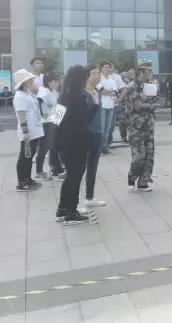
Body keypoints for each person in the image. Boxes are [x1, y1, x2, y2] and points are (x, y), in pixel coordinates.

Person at [56, 65, 99, 225]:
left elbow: (55, 120)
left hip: (64, 143)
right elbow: (84, 120)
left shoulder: (62, 96)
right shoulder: (78, 98)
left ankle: (62, 209)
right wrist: (95, 104)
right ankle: (71, 213)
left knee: (70, 176)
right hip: (77, 142)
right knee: (75, 177)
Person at [126, 60, 158, 191]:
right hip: (136, 127)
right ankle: (132, 177)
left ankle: (143, 182)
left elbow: (154, 100)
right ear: (141, 71)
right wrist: (150, 105)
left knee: (149, 156)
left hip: (149, 125)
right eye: (148, 70)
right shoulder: (132, 86)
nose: (150, 73)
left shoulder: (149, 86)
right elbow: (137, 105)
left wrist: (151, 101)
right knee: (139, 156)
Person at [12, 69, 44, 192]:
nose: (32, 81)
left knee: (29, 157)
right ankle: (22, 183)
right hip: (28, 132)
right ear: (24, 82)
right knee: (25, 157)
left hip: (34, 130)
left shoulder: (27, 93)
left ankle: (28, 179)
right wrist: (25, 132)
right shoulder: (20, 96)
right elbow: (21, 115)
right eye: (30, 80)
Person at [84, 64, 106, 207]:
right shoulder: (80, 94)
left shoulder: (97, 91)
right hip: (83, 135)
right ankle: (68, 207)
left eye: (98, 73)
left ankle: (89, 197)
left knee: (92, 167)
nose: (97, 76)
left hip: (96, 133)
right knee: (77, 170)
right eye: (94, 73)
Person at [35, 72, 61, 181]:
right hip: (46, 124)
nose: (57, 83)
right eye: (54, 81)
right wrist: (43, 116)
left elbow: (57, 106)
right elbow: (38, 102)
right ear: (48, 82)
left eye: (57, 81)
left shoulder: (52, 91)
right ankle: (39, 172)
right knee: (44, 148)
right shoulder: (44, 92)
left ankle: (54, 169)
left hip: (52, 122)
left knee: (50, 146)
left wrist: (57, 120)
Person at [97, 61, 118, 155]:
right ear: (101, 69)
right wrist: (111, 92)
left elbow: (116, 91)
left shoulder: (111, 79)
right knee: (102, 127)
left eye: (108, 67)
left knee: (108, 128)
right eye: (105, 67)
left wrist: (109, 92)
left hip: (111, 105)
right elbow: (101, 91)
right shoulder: (99, 78)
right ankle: (99, 147)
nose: (107, 69)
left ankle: (105, 146)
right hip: (102, 105)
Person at [107, 63, 126, 146]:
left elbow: (124, 89)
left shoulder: (117, 77)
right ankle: (105, 143)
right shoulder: (102, 76)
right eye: (108, 67)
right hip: (103, 104)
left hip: (113, 104)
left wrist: (120, 99)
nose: (109, 69)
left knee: (111, 125)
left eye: (111, 67)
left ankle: (108, 142)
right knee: (105, 125)